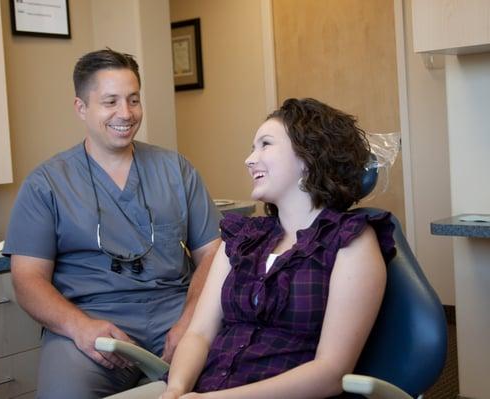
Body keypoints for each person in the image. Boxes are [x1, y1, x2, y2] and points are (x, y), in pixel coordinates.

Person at [112, 98, 397, 399]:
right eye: (252, 147)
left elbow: (330, 372)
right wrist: (176, 390)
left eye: (265, 144)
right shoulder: (241, 238)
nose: (250, 159)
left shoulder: (350, 242)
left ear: (308, 156)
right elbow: (198, 334)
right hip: (202, 389)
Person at [3, 49, 221, 398]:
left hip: (175, 315)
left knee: (233, 380)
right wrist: (81, 328)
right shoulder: (47, 183)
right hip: (91, 324)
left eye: (133, 100)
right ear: (81, 108)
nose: (126, 113)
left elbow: (213, 253)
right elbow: (27, 279)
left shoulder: (175, 170)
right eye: (110, 102)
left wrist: (191, 320)